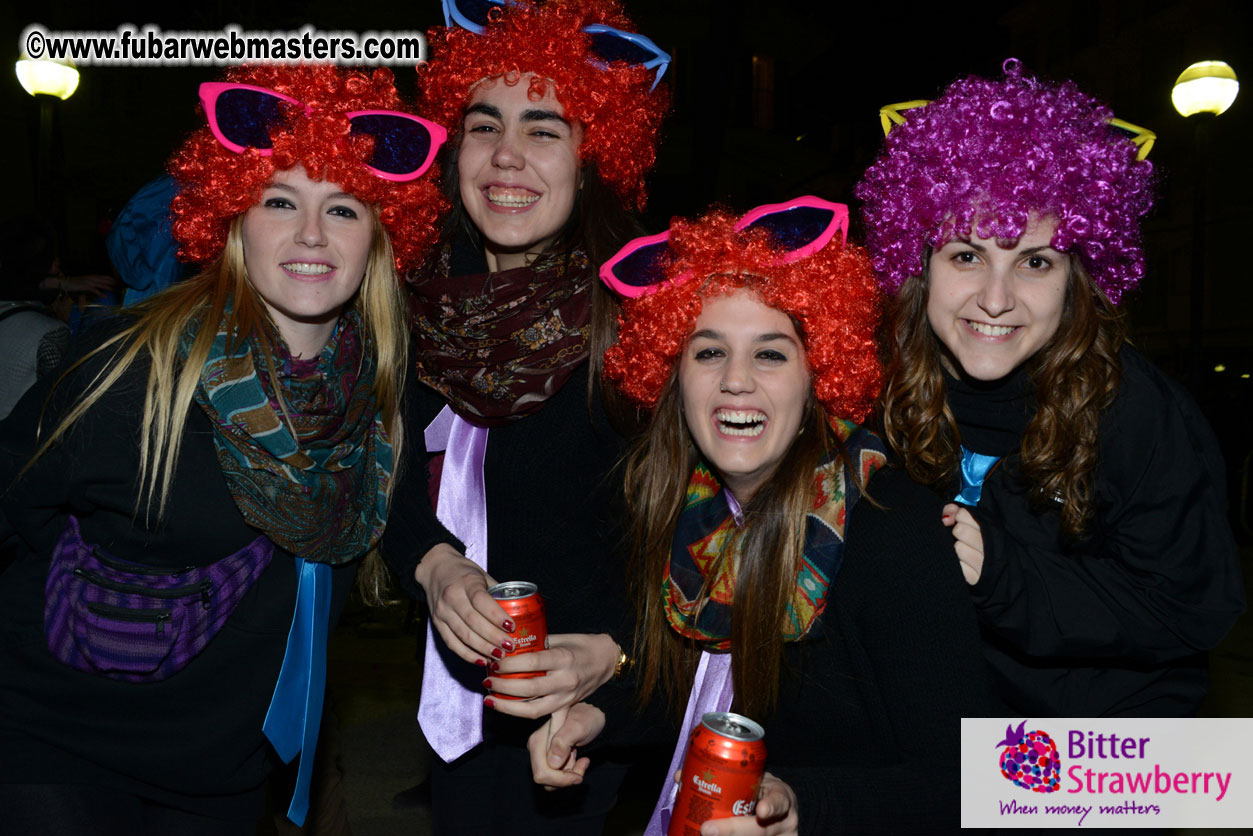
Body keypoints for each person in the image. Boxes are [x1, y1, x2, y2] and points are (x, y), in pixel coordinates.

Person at [0, 64, 447, 834]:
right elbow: (18, 507)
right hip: (58, 729)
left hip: (227, 762)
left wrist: (447, 567)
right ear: (232, 219)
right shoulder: (133, 365)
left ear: (379, 237)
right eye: (280, 201)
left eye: (342, 208)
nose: (311, 234)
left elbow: (400, 516)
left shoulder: (378, 389)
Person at [530, 199, 992, 834]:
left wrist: (801, 807)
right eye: (709, 353)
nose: (736, 381)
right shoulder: (687, 509)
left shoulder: (891, 530)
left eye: (771, 354)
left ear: (817, 376)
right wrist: (599, 716)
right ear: (673, 376)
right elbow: (705, 697)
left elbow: (964, 782)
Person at [856, 59, 1245, 717]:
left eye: (1034, 261)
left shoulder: (1136, 413)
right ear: (918, 266)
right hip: (944, 730)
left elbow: (1192, 608)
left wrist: (1002, 575)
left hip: (1105, 752)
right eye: (965, 255)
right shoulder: (875, 390)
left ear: (1076, 279)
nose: (995, 298)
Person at [378, 0, 670, 832]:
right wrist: (431, 564)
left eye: (545, 128)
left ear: (594, 154)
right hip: (462, 732)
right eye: (483, 125)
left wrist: (616, 657)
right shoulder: (414, 302)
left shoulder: (648, 319)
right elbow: (383, 479)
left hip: (607, 732)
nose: (506, 155)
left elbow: (720, 549)